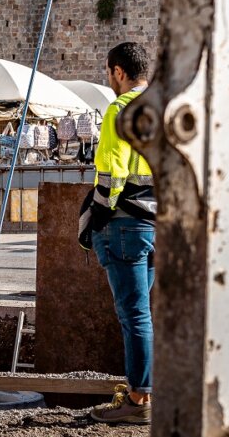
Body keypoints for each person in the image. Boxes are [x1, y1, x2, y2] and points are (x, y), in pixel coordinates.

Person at [80, 42, 155, 425]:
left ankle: (140, 398)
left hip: (124, 225)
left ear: (119, 72)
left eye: (108, 74)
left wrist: (95, 214)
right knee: (144, 313)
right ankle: (145, 390)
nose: (108, 81)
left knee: (134, 315)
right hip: (158, 226)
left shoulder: (119, 109)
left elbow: (111, 174)